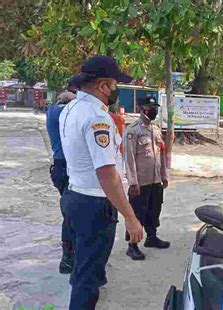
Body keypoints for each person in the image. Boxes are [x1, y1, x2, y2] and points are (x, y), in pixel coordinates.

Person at [59, 55, 143, 309]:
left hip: (74, 196)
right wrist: (130, 217)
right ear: (103, 85)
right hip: (94, 205)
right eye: (115, 84)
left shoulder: (70, 108)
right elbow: (107, 174)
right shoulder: (98, 119)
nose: (116, 90)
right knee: (88, 279)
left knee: (82, 267)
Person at [124, 96, 170, 260]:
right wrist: (133, 182)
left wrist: (164, 175)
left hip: (155, 179)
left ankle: (151, 237)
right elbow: (129, 159)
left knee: (154, 210)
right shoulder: (132, 130)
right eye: (150, 107)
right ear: (141, 109)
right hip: (140, 182)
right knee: (137, 213)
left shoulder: (156, 130)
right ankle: (132, 245)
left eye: (155, 107)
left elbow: (161, 155)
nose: (154, 110)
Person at [46, 75, 81, 274]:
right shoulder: (63, 112)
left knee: (73, 211)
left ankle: (72, 254)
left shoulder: (55, 110)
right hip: (66, 168)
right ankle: (68, 258)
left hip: (64, 168)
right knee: (71, 214)